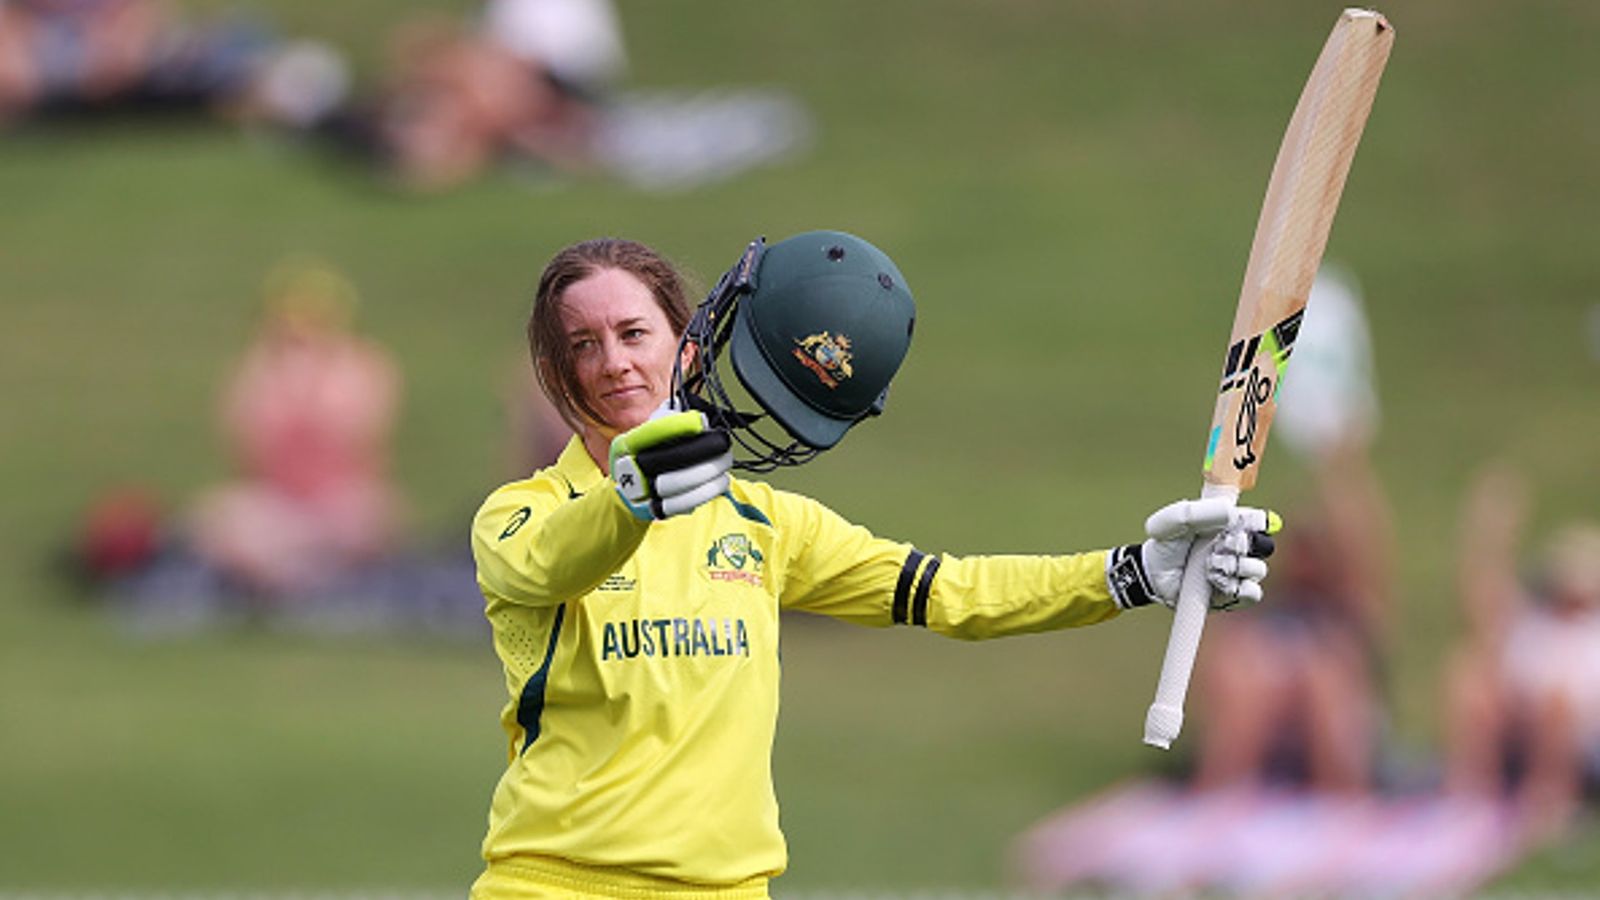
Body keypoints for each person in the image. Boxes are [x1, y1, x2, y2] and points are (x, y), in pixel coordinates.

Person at [468, 232, 1280, 898]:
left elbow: (952, 592)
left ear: (683, 340)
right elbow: (550, 561)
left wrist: (1130, 574)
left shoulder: (762, 524)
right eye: (585, 345)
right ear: (556, 371)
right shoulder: (519, 516)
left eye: (634, 333)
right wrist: (630, 499)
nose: (614, 363)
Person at [188, 258, 404, 599]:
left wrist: (314, 393)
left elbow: (363, 446)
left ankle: (314, 585)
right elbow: (247, 454)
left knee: (366, 517)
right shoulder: (255, 371)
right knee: (222, 518)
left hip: (339, 501)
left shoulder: (362, 368)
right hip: (278, 503)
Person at [1442, 463, 1600, 844]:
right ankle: (1472, 794)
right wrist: (1490, 526)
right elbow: (1481, 592)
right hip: (1519, 720)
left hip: (1579, 733)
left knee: (1555, 702)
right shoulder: (1531, 620)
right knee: (1469, 675)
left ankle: (1548, 802)